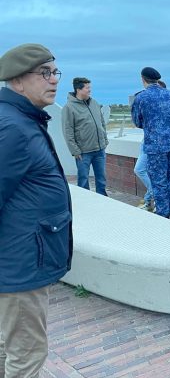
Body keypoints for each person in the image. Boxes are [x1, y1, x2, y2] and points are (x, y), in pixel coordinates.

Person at [0, 44, 73, 377]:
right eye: (44, 73)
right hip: (20, 266)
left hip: (20, 260)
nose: (54, 80)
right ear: (17, 82)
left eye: (55, 72)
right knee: (27, 354)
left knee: (9, 347)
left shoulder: (20, 119)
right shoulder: (13, 128)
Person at [131, 67, 170, 223]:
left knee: (159, 181)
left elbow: (137, 122)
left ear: (143, 79)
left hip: (155, 146)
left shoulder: (141, 98)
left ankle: (163, 215)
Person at [62, 77, 109, 196]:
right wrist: (75, 150)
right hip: (83, 152)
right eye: (87, 88)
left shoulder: (94, 103)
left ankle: (103, 201)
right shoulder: (69, 108)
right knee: (83, 180)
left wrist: (105, 139)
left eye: (90, 87)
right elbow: (68, 131)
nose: (90, 90)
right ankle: (86, 201)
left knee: (102, 179)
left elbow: (101, 122)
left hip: (100, 149)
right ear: (79, 89)